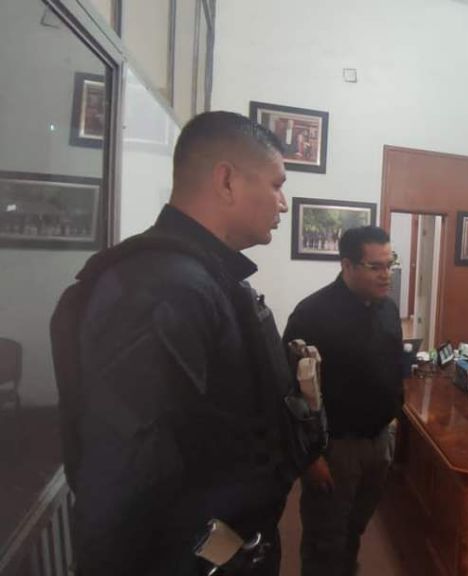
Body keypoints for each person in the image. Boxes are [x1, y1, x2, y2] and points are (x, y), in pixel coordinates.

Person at [57, 111, 316, 575]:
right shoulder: (161, 289)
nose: (283, 203)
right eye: (277, 184)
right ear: (227, 180)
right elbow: (121, 483)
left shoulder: (209, 279)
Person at [282, 226, 403, 576]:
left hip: (379, 441)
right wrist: (310, 457)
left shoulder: (388, 308)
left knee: (354, 530)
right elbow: (288, 392)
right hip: (334, 449)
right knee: (325, 539)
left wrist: (393, 418)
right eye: (375, 266)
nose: (386, 275)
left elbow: (393, 366)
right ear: (347, 265)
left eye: (390, 264)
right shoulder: (312, 313)